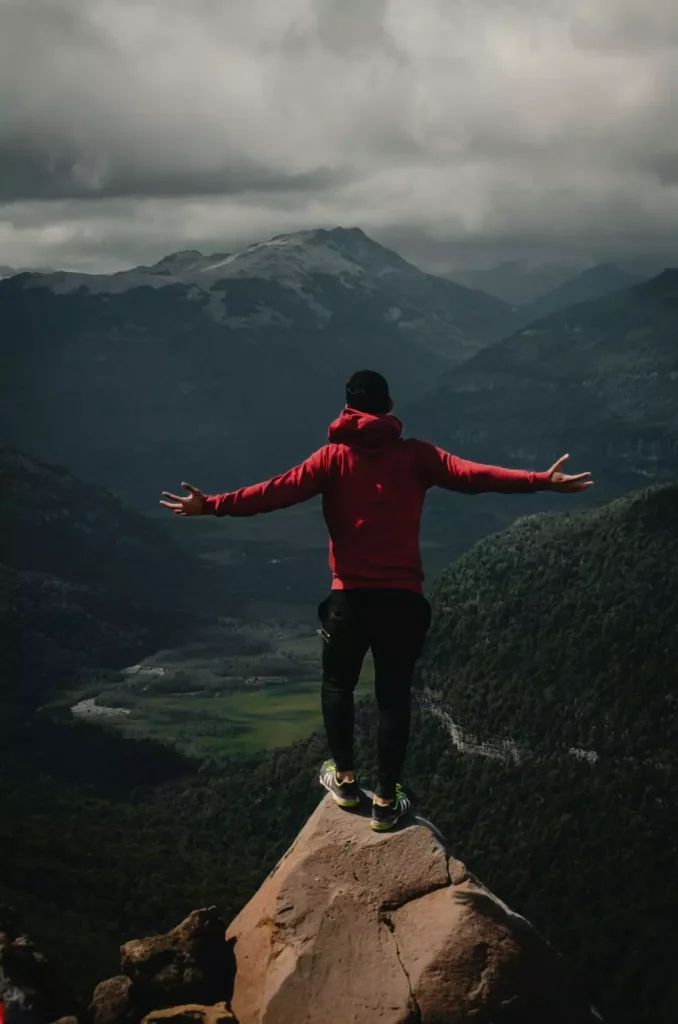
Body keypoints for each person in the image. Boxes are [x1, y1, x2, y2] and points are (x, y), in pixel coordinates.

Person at [159, 369, 593, 831]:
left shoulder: (331, 459)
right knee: (392, 699)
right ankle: (386, 803)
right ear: (388, 407)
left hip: (349, 601)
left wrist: (212, 505)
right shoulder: (416, 456)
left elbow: (273, 492)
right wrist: (539, 480)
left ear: (347, 409)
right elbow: (473, 476)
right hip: (403, 604)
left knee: (337, 686)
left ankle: (345, 782)